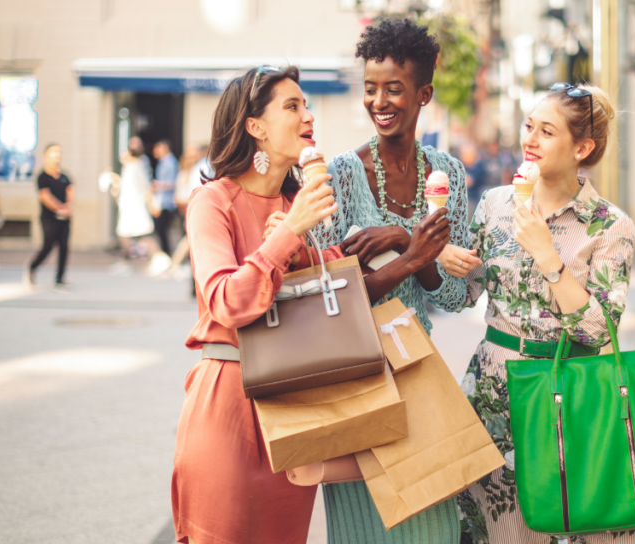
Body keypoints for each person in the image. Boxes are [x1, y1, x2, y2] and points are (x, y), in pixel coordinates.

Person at [440, 84, 635, 544]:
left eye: (546, 131)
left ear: (582, 148)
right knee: (507, 528)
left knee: (589, 513)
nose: (529, 138)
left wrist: (549, 258)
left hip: (573, 390)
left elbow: (597, 328)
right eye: (530, 126)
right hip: (496, 390)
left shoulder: (610, 225)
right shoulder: (494, 205)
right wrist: (442, 261)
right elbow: (461, 297)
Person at [307, 17, 465, 544]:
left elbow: (457, 295)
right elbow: (326, 295)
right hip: (356, 375)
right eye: (371, 88)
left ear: (423, 94)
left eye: (394, 89)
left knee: (433, 524)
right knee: (362, 529)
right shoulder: (341, 174)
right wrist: (407, 257)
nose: (380, 101)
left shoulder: (448, 173)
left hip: (419, 370)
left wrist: (406, 242)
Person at [173, 65, 342, 544]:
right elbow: (227, 300)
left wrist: (308, 245)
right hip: (228, 401)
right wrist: (289, 234)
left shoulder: (307, 202)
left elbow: (337, 278)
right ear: (255, 127)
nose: (308, 116)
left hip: (297, 404)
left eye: (306, 105)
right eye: (292, 106)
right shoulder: (212, 202)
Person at [26, 144, 73, 289]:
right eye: (54, 152)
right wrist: (60, 207)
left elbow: (71, 192)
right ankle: (32, 267)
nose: (57, 155)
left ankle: (59, 279)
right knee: (48, 246)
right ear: (46, 156)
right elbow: (45, 197)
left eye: (59, 152)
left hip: (65, 218)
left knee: (64, 248)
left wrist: (68, 208)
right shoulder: (42, 176)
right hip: (49, 218)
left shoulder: (65, 176)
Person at [115, 137, 157, 260]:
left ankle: (159, 258)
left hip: (136, 206)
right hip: (127, 205)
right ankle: (126, 260)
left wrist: (151, 203)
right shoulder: (127, 167)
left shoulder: (139, 165)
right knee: (126, 234)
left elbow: (146, 186)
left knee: (142, 234)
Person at [152, 139, 179, 255]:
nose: (154, 151)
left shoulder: (170, 162)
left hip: (167, 202)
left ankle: (166, 253)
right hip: (162, 201)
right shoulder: (163, 162)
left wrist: (158, 185)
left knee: (161, 228)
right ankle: (165, 252)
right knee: (161, 228)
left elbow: (173, 183)